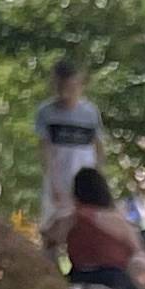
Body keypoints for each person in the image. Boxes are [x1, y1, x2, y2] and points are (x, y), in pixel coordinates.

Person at [60, 163, 145, 289]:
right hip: (113, 279)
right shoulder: (116, 220)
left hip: (79, 277)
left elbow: (49, 243)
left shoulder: (69, 220)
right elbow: (139, 251)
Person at [35, 57, 102, 239]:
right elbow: (45, 148)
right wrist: (52, 181)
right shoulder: (46, 112)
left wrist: (98, 178)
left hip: (85, 176)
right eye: (61, 88)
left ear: (79, 85)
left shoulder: (90, 112)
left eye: (71, 88)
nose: (65, 94)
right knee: (52, 224)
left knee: (86, 225)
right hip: (58, 175)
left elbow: (98, 146)